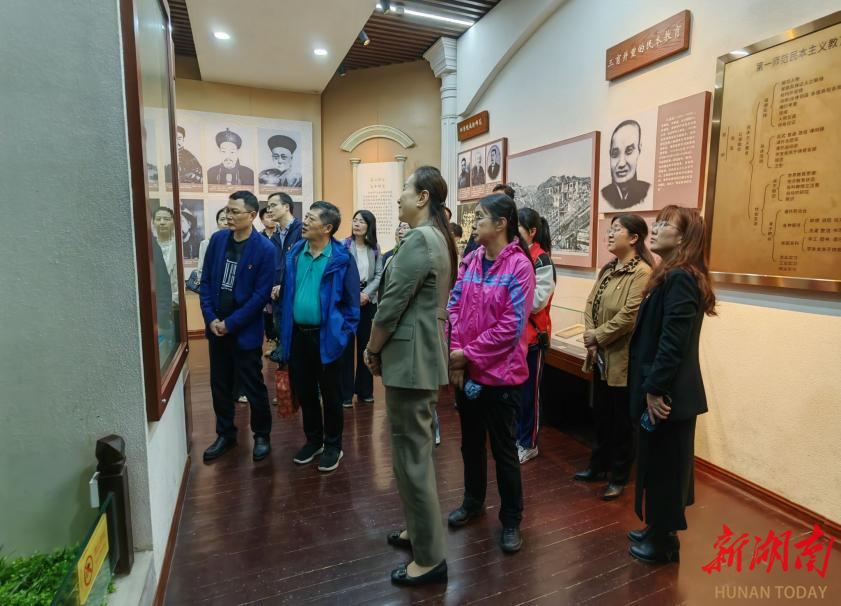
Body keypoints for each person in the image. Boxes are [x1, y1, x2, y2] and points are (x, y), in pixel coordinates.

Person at [363, 166, 457, 587]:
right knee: (409, 455)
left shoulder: (421, 239)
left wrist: (372, 347)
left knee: (412, 458)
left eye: (404, 189)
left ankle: (431, 558)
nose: (398, 197)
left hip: (411, 359)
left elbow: (392, 303)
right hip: (416, 357)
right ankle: (418, 531)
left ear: (422, 198)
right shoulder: (434, 237)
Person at [626, 205, 716, 564]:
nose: (656, 227)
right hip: (663, 388)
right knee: (657, 462)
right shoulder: (670, 275)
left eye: (665, 224)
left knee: (666, 467)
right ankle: (656, 528)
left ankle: (663, 541)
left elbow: (672, 343)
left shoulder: (681, 278)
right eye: (658, 221)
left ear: (683, 238)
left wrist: (654, 388)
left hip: (668, 394)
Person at [447, 192, 535, 554]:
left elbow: (511, 328)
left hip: (501, 377)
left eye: (480, 217)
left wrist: (466, 354)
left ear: (501, 224)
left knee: (503, 450)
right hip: (468, 371)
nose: (474, 224)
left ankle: (511, 519)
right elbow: (454, 306)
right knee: (470, 444)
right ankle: (473, 501)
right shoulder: (471, 261)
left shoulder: (519, 267)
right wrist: (458, 356)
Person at [575, 214, 654, 500]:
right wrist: (590, 335)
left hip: (622, 358)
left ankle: (619, 476)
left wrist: (598, 336)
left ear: (633, 238)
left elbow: (629, 316)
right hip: (600, 355)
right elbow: (590, 304)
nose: (609, 234)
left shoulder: (642, 272)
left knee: (622, 420)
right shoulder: (608, 269)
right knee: (602, 415)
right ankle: (598, 466)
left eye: (616, 230)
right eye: (610, 229)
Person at [278, 201, 359, 473]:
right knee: (305, 392)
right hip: (298, 336)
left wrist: (342, 336)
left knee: (332, 396)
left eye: (311, 219)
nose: (305, 222)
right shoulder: (295, 254)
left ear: (327, 228)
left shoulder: (342, 259)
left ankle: (333, 445)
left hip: (328, 339)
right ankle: (313, 441)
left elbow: (352, 307)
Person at [199, 190, 276, 462]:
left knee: (253, 386)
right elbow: (205, 282)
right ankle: (225, 435)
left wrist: (230, 323)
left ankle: (262, 435)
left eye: (234, 211)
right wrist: (211, 318)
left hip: (244, 331)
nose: (228, 216)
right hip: (216, 329)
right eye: (227, 210)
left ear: (252, 215)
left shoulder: (265, 249)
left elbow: (260, 296)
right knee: (219, 385)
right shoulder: (218, 240)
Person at [515, 208, 556, 465]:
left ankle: (528, 443)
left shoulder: (541, 260)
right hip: (514, 338)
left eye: (517, 229)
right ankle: (517, 437)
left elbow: (537, 301)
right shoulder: (514, 255)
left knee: (530, 396)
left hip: (532, 338)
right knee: (516, 394)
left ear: (531, 232)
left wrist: (507, 298)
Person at [340, 210, 383, 407]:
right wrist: (353, 295)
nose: (356, 224)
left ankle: (365, 390)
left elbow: (379, 274)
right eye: (355, 220)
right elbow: (340, 273)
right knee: (346, 348)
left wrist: (366, 294)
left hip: (367, 301)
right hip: (347, 301)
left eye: (362, 221)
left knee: (366, 346)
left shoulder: (374, 248)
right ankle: (345, 393)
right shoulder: (344, 245)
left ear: (369, 226)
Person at [267, 192, 303, 362]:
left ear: (286, 207)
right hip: (276, 295)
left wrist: (284, 284)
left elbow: (300, 265)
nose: (269, 210)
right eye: (268, 206)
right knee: (282, 335)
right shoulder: (274, 236)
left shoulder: (301, 230)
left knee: (296, 342)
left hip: (295, 294)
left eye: (273, 205)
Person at [601, 120, 650, 210]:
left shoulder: (648, 191)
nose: (621, 163)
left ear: (639, 149)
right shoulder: (603, 195)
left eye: (629, 151)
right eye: (615, 154)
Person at [259, 208, 279, 354]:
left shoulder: (281, 236)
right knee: (267, 313)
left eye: (273, 216)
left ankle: (282, 343)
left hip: (279, 279)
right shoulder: (259, 237)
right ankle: (271, 342)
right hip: (265, 281)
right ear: (261, 220)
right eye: (267, 216)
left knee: (280, 312)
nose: (271, 219)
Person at [152, 207, 179, 305]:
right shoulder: (150, 247)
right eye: (158, 219)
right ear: (153, 222)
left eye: (166, 219)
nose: (162, 222)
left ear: (173, 222)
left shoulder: (180, 245)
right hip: (157, 302)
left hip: (177, 302)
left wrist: (175, 300)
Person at [197, 208, 229, 284]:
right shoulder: (207, 243)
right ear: (217, 223)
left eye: (228, 219)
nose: (226, 223)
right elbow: (201, 269)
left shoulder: (239, 243)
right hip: (213, 285)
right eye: (222, 219)